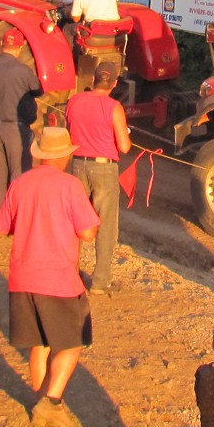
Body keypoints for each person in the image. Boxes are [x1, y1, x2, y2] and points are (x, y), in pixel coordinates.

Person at [0, 125, 99, 427]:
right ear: (65, 155)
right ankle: (50, 402)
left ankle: (39, 403)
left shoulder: (20, 184)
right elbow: (88, 233)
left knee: (38, 344)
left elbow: (1, 228)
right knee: (72, 342)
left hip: (23, 276)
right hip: (58, 279)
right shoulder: (70, 186)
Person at [67, 62, 130, 292]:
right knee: (105, 226)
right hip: (104, 167)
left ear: (93, 79)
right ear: (113, 83)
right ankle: (101, 281)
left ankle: (70, 274)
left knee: (75, 222)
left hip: (77, 163)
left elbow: (70, 129)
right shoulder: (114, 107)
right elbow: (124, 146)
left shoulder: (74, 101)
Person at [0, 26, 39, 213]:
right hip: (16, 128)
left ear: (2, 44)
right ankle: (16, 217)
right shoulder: (23, 70)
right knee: (18, 175)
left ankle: (0, 220)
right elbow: (38, 90)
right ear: (21, 46)